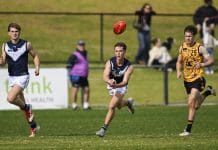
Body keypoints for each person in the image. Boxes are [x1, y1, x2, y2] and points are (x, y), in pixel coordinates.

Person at [0, 23, 40, 137]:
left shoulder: (26, 44)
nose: (14, 33)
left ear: (19, 33)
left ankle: (28, 107)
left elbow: (35, 56)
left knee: (10, 98)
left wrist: (37, 68)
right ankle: (33, 128)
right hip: (12, 77)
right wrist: (1, 62)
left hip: (23, 76)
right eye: (12, 31)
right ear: (8, 33)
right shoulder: (4, 46)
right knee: (23, 108)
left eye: (16, 31)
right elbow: (3, 62)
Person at [176, 25, 216, 137]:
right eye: (186, 36)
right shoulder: (182, 47)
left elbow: (211, 60)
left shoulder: (200, 48)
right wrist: (178, 71)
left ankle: (187, 130)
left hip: (198, 78)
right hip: (187, 80)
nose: (187, 38)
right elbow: (179, 61)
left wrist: (202, 64)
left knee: (193, 98)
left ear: (194, 36)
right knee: (194, 105)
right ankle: (208, 92)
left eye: (190, 36)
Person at [96, 42, 134, 137]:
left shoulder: (129, 66)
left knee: (112, 106)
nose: (118, 53)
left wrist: (116, 85)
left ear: (124, 52)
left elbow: (125, 81)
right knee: (119, 105)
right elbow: (104, 76)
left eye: (120, 51)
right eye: (116, 51)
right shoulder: (110, 62)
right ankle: (128, 103)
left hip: (121, 86)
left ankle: (103, 129)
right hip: (111, 84)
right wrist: (109, 81)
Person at [66, 40, 90, 110]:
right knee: (75, 90)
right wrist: (69, 76)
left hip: (84, 75)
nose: (81, 46)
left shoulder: (85, 54)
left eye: (82, 45)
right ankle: (74, 104)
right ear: (77, 46)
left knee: (86, 89)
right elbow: (69, 65)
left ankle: (86, 105)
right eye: (80, 45)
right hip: (76, 75)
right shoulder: (74, 55)